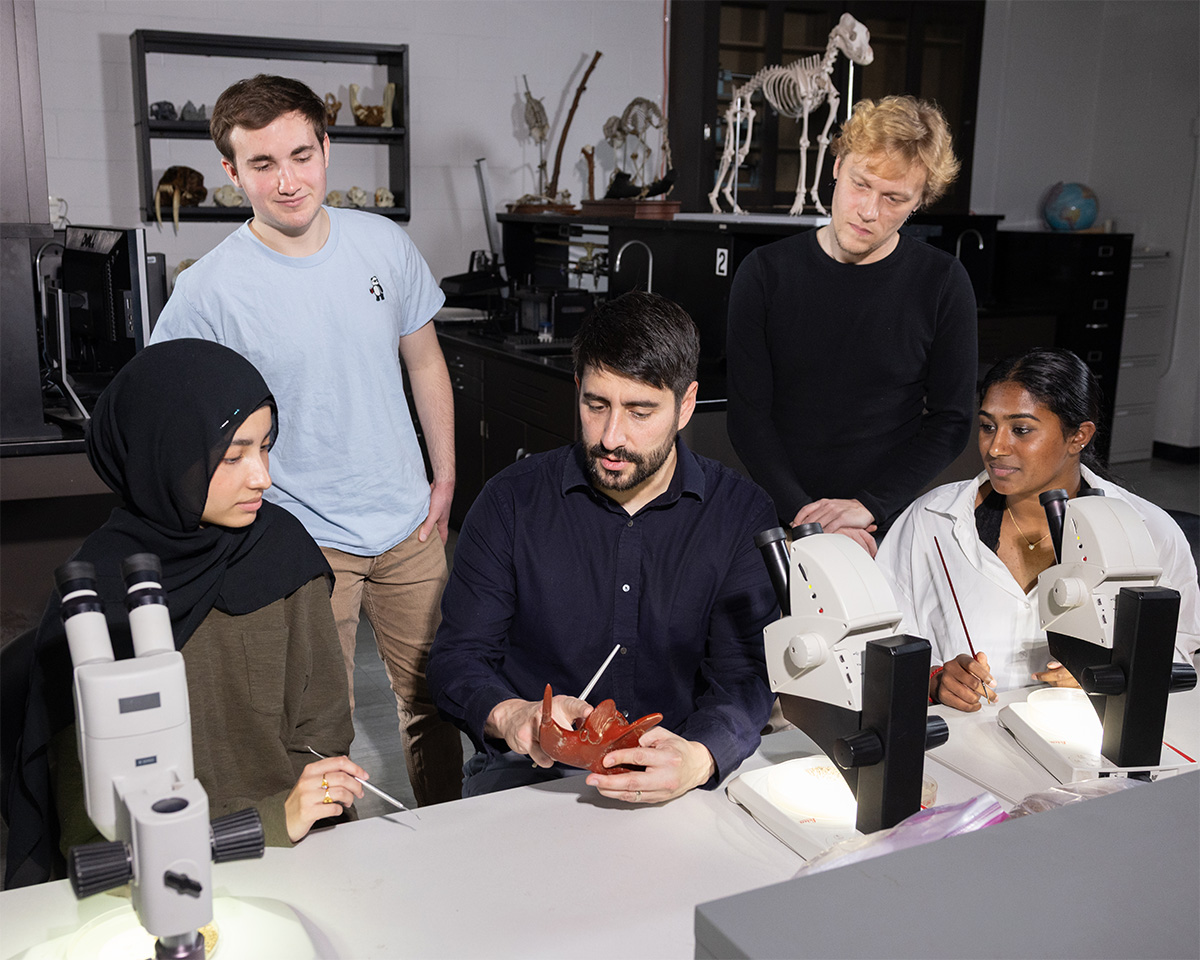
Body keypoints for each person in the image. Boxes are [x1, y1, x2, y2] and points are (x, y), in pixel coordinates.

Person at [150, 74, 463, 805]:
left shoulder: (382, 243)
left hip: (410, 524)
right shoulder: (210, 288)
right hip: (299, 536)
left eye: (302, 155)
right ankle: (335, 868)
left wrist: (443, 476)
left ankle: (453, 839)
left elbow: (424, 360)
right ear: (231, 172)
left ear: (327, 147)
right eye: (262, 165)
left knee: (434, 704)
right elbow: (166, 407)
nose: (288, 181)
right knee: (323, 727)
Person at [3, 340, 365, 887]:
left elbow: (324, 728)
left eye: (265, 448)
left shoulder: (284, 553)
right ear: (166, 453)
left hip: (299, 853)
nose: (263, 477)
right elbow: (91, 829)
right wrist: (266, 821)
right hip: (150, 875)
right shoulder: (95, 600)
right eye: (233, 455)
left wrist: (301, 809)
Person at [427, 292, 778, 803]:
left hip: (676, 768)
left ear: (686, 405)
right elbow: (457, 659)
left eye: (640, 411)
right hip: (529, 776)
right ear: (577, 388)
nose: (611, 437)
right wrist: (513, 715)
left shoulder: (740, 514)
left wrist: (699, 757)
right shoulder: (511, 501)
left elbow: (746, 676)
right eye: (596, 405)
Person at [876, 348, 1200, 711]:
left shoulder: (1151, 532)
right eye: (987, 426)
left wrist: (1117, 674)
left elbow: (1182, 656)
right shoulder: (931, 520)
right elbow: (879, 641)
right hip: (960, 748)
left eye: (1021, 429)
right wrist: (933, 679)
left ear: (1079, 436)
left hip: (1088, 745)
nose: (995, 447)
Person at [726, 95, 977, 555]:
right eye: (862, 184)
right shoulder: (764, 273)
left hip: (884, 523)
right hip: (779, 515)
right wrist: (809, 518)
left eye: (894, 198)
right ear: (838, 165)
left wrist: (869, 506)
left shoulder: (942, 282)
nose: (868, 211)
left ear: (920, 201)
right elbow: (747, 416)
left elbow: (951, 420)